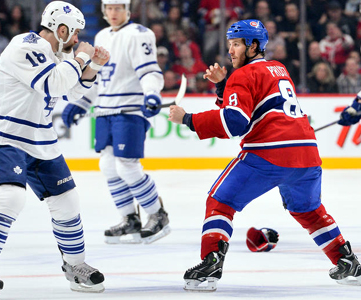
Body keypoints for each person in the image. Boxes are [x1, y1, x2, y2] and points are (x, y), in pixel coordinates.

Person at [168, 19, 361, 292]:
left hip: (269, 154)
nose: (230, 51)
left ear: (253, 45)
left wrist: (187, 118)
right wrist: (224, 86)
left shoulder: (243, 74)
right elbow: (254, 104)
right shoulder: (279, 69)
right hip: (307, 154)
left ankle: (210, 262)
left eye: (236, 44)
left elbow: (236, 122)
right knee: (308, 210)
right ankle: (347, 261)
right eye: (229, 44)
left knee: (220, 201)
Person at [0, 1, 110, 298]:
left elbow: (73, 89)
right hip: (7, 135)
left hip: (41, 139)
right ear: (61, 28)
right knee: (10, 197)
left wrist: (91, 66)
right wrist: (80, 57)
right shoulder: (24, 45)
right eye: (75, 32)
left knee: (68, 201)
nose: (78, 38)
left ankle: (75, 266)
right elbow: (55, 85)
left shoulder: (58, 53)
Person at [61, 0, 170, 245]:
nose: (113, 13)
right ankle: (129, 219)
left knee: (126, 167)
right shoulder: (101, 35)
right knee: (108, 166)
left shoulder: (140, 34)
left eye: (118, 7)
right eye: (109, 8)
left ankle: (157, 214)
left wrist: (152, 93)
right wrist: (80, 102)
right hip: (105, 110)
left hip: (129, 110)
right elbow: (97, 77)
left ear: (127, 10)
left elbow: (149, 71)